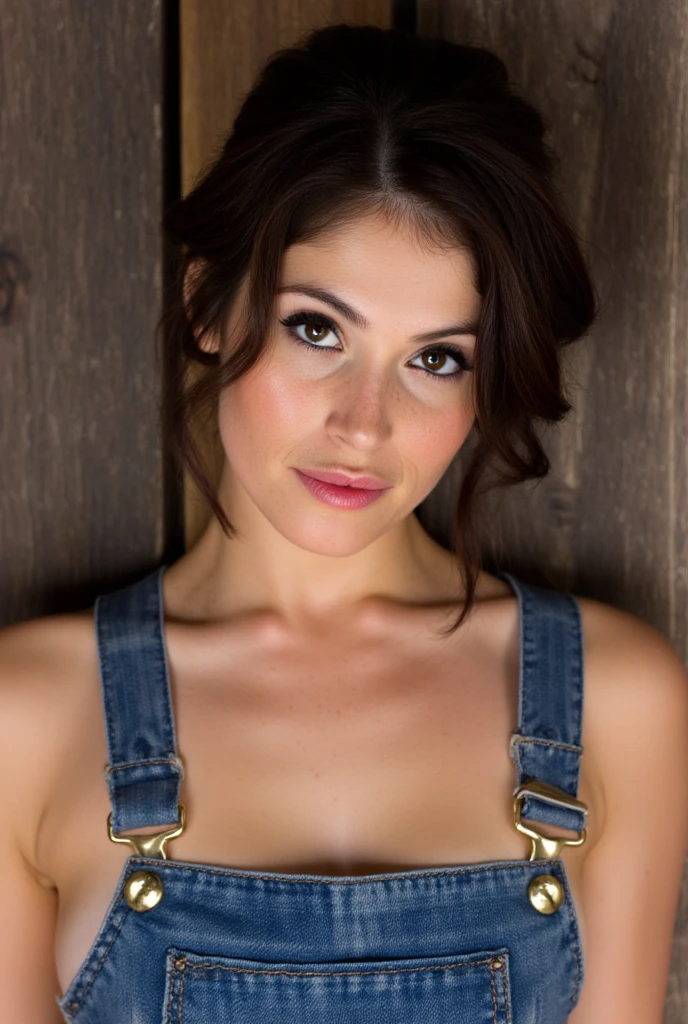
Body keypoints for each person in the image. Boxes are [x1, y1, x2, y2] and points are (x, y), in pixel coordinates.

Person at [1, 22, 687, 1024]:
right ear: (209, 305)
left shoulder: (615, 703)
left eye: (437, 358)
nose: (364, 424)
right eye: (316, 329)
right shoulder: (27, 718)